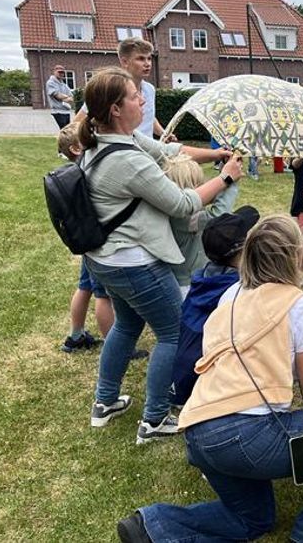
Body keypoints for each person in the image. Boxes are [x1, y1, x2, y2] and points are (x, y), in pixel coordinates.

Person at [118, 216, 303, 543]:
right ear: (294, 256)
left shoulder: (229, 295)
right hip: (246, 435)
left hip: (198, 430)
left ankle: (154, 525)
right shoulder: (298, 305)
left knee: (253, 519)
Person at [78, 67, 242, 445]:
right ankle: (153, 419)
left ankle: (104, 402)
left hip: (106, 260)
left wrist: (217, 153)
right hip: (134, 263)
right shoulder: (126, 160)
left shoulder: (109, 141)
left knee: (126, 326)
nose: (141, 101)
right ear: (117, 109)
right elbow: (183, 204)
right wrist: (227, 178)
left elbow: (170, 150)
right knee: (173, 332)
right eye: (135, 96)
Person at [170, 206, 260, 409]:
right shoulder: (236, 292)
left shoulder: (205, 277)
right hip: (201, 387)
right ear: (242, 249)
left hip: (181, 378)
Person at [56, 122, 112, 352]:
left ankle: (76, 335)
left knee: (85, 287)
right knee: (103, 294)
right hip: (96, 241)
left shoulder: (75, 174)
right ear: (77, 149)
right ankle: (116, 345)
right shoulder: (87, 172)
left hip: (85, 241)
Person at [161, 153, 240, 298]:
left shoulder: (167, 205)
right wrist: (231, 181)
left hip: (177, 277)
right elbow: (218, 217)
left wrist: (224, 172)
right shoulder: (184, 217)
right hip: (186, 284)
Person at [46, 65, 73, 129]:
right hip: (57, 111)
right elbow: (57, 95)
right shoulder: (50, 83)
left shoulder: (64, 85)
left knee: (67, 130)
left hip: (66, 110)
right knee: (64, 130)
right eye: (59, 72)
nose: (61, 74)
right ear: (54, 72)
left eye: (62, 72)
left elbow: (71, 97)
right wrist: (66, 97)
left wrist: (65, 98)